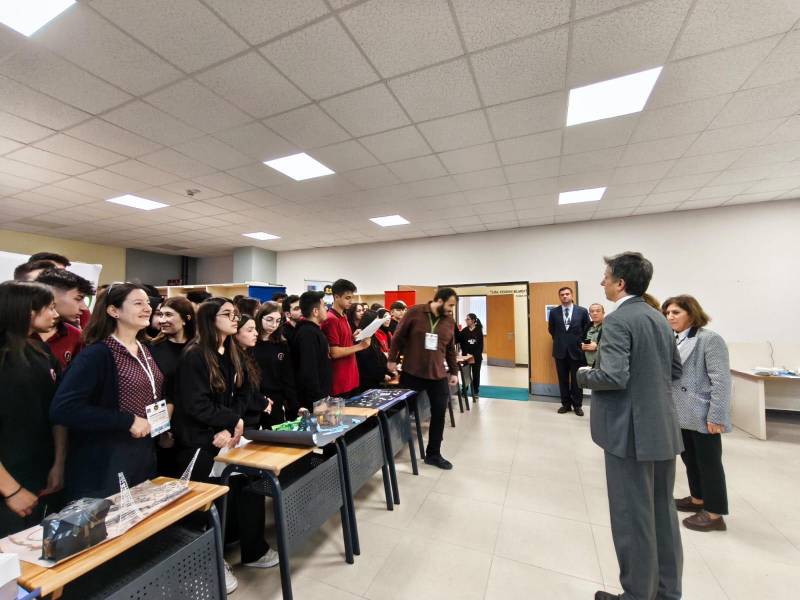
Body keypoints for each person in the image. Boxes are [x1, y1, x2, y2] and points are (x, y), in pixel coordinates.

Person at [577, 252, 683, 600]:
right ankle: (666, 592)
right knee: (662, 513)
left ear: (620, 283)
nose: (602, 282)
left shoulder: (619, 320)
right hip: (661, 428)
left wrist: (583, 374)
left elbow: (613, 376)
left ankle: (637, 594)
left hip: (629, 434)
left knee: (632, 517)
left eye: (606, 277)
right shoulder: (657, 317)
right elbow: (675, 370)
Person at [173, 299, 277, 590]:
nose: (235, 318)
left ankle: (244, 549)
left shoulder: (230, 350)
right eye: (227, 314)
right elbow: (195, 404)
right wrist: (227, 423)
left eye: (235, 313)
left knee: (244, 489)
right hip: (198, 440)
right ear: (210, 319)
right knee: (205, 506)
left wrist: (231, 423)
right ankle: (208, 565)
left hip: (227, 436)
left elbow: (243, 393)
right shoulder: (195, 354)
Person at [50, 283, 164, 500]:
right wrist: (127, 420)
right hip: (105, 461)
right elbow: (64, 409)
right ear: (113, 311)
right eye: (138, 303)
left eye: (148, 303)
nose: (147, 308)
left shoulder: (145, 349)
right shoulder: (97, 355)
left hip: (142, 454)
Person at [0, 281, 65, 537]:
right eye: (50, 307)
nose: (55, 314)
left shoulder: (41, 351)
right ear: (28, 311)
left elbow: (56, 412)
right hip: (9, 483)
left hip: (38, 475)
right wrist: (11, 490)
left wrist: (58, 463)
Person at [663, 295, 732, 533]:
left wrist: (717, 416)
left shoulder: (709, 339)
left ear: (691, 314)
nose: (670, 317)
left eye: (675, 312)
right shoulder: (674, 339)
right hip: (679, 412)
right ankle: (697, 499)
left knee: (709, 463)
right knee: (690, 459)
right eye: (667, 313)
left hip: (702, 412)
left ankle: (714, 514)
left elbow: (721, 380)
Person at [388, 287, 459, 470]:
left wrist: (454, 371)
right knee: (403, 411)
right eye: (450, 305)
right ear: (440, 301)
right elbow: (397, 337)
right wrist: (392, 359)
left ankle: (433, 454)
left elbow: (450, 349)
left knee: (439, 413)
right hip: (412, 372)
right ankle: (390, 448)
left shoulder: (449, 321)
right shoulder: (415, 312)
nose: (451, 309)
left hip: (437, 375)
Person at [149, 296, 195, 476]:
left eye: (169, 315)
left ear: (186, 319)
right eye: (160, 314)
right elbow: (156, 393)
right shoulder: (151, 348)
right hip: (165, 427)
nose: (162, 320)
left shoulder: (198, 348)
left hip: (193, 427)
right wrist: (162, 430)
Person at [35, 268, 95, 369]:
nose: (83, 307)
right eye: (78, 299)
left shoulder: (76, 336)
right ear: (51, 295)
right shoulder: (15, 332)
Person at [321, 279, 370, 398]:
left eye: (351, 298)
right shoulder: (331, 319)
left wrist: (353, 337)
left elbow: (343, 342)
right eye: (347, 298)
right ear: (336, 297)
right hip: (340, 381)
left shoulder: (343, 315)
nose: (351, 301)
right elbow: (334, 352)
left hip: (351, 377)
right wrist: (361, 346)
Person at [548, 286, 590, 416]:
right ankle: (565, 405)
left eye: (567, 294)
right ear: (559, 297)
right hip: (560, 351)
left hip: (576, 351)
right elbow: (551, 329)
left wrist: (578, 342)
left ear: (572, 295)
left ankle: (577, 405)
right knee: (563, 379)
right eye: (562, 295)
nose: (565, 296)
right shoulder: (554, 312)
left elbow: (586, 328)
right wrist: (561, 340)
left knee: (577, 380)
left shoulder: (582, 311)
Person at [254, 302, 298, 425]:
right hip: (253, 398)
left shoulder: (281, 344)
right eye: (269, 319)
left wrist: (294, 403)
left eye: (278, 321)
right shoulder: (250, 342)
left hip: (275, 399)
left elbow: (287, 375)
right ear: (260, 317)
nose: (273, 325)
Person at [290, 291, 332, 411]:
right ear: (315, 311)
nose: (326, 309)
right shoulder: (307, 334)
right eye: (324, 306)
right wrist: (317, 400)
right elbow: (309, 370)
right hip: (313, 401)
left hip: (320, 395)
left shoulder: (313, 330)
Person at [355, 310, 393, 392]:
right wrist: (382, 375)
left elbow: (379, 355)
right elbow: (368, 362)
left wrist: (387, 371)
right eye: (376, 320)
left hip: (375, 377)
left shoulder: (372, 335)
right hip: (367, 380)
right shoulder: (362, 336)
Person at [457, 313, 484, 399]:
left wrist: (474, 355)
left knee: (476, 374)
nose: (466, 320)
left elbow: (480, 346)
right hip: (466, 357)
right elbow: (459, 340)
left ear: (473, 320)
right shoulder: (464, 331)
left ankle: (476, 391)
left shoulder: (479, 331)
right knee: (465, 374)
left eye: (468, 319)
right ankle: (464, 390)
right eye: (466, 319)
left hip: (476, 357)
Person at [581, 303, 605, 368]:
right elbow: (579, 340)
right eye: (592, 311)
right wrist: (581, 345)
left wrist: (597, 347)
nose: (595, 313)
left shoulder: (609, 327)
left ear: (603, 313)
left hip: (602, 365)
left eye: (598, 311)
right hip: (586, 365)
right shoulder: (586, 326)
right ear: (589, 314)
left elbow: (613, 345)